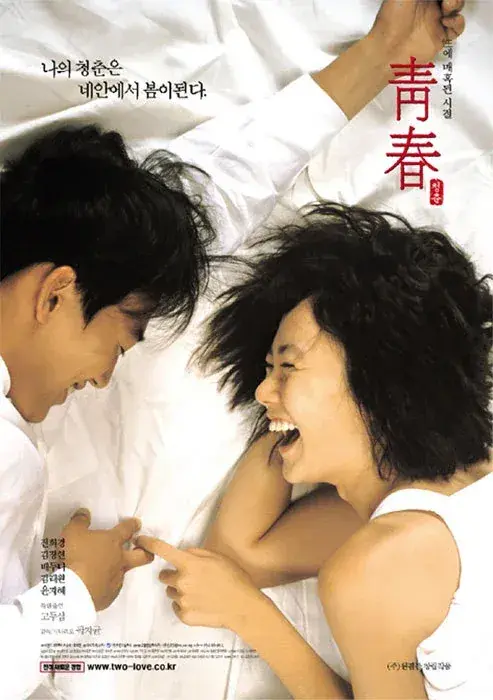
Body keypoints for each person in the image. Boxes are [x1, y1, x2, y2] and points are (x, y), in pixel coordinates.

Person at [0, 0, 466, 698]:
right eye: (124, 336)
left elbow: (215, 193)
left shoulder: (383, 547)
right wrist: (64, 598)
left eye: (285, 365)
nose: (102, 378)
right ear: (55, 295)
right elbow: (240, 553)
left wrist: (382, 53)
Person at [137, 200, 492, 698]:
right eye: (266, 369)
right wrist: (291, 414)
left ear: (380, 380)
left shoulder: (378, 564)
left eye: (288, 366)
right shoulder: (450, 490)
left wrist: (250, 615)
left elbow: (238, 573)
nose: (261, 392)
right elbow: (240, 555)